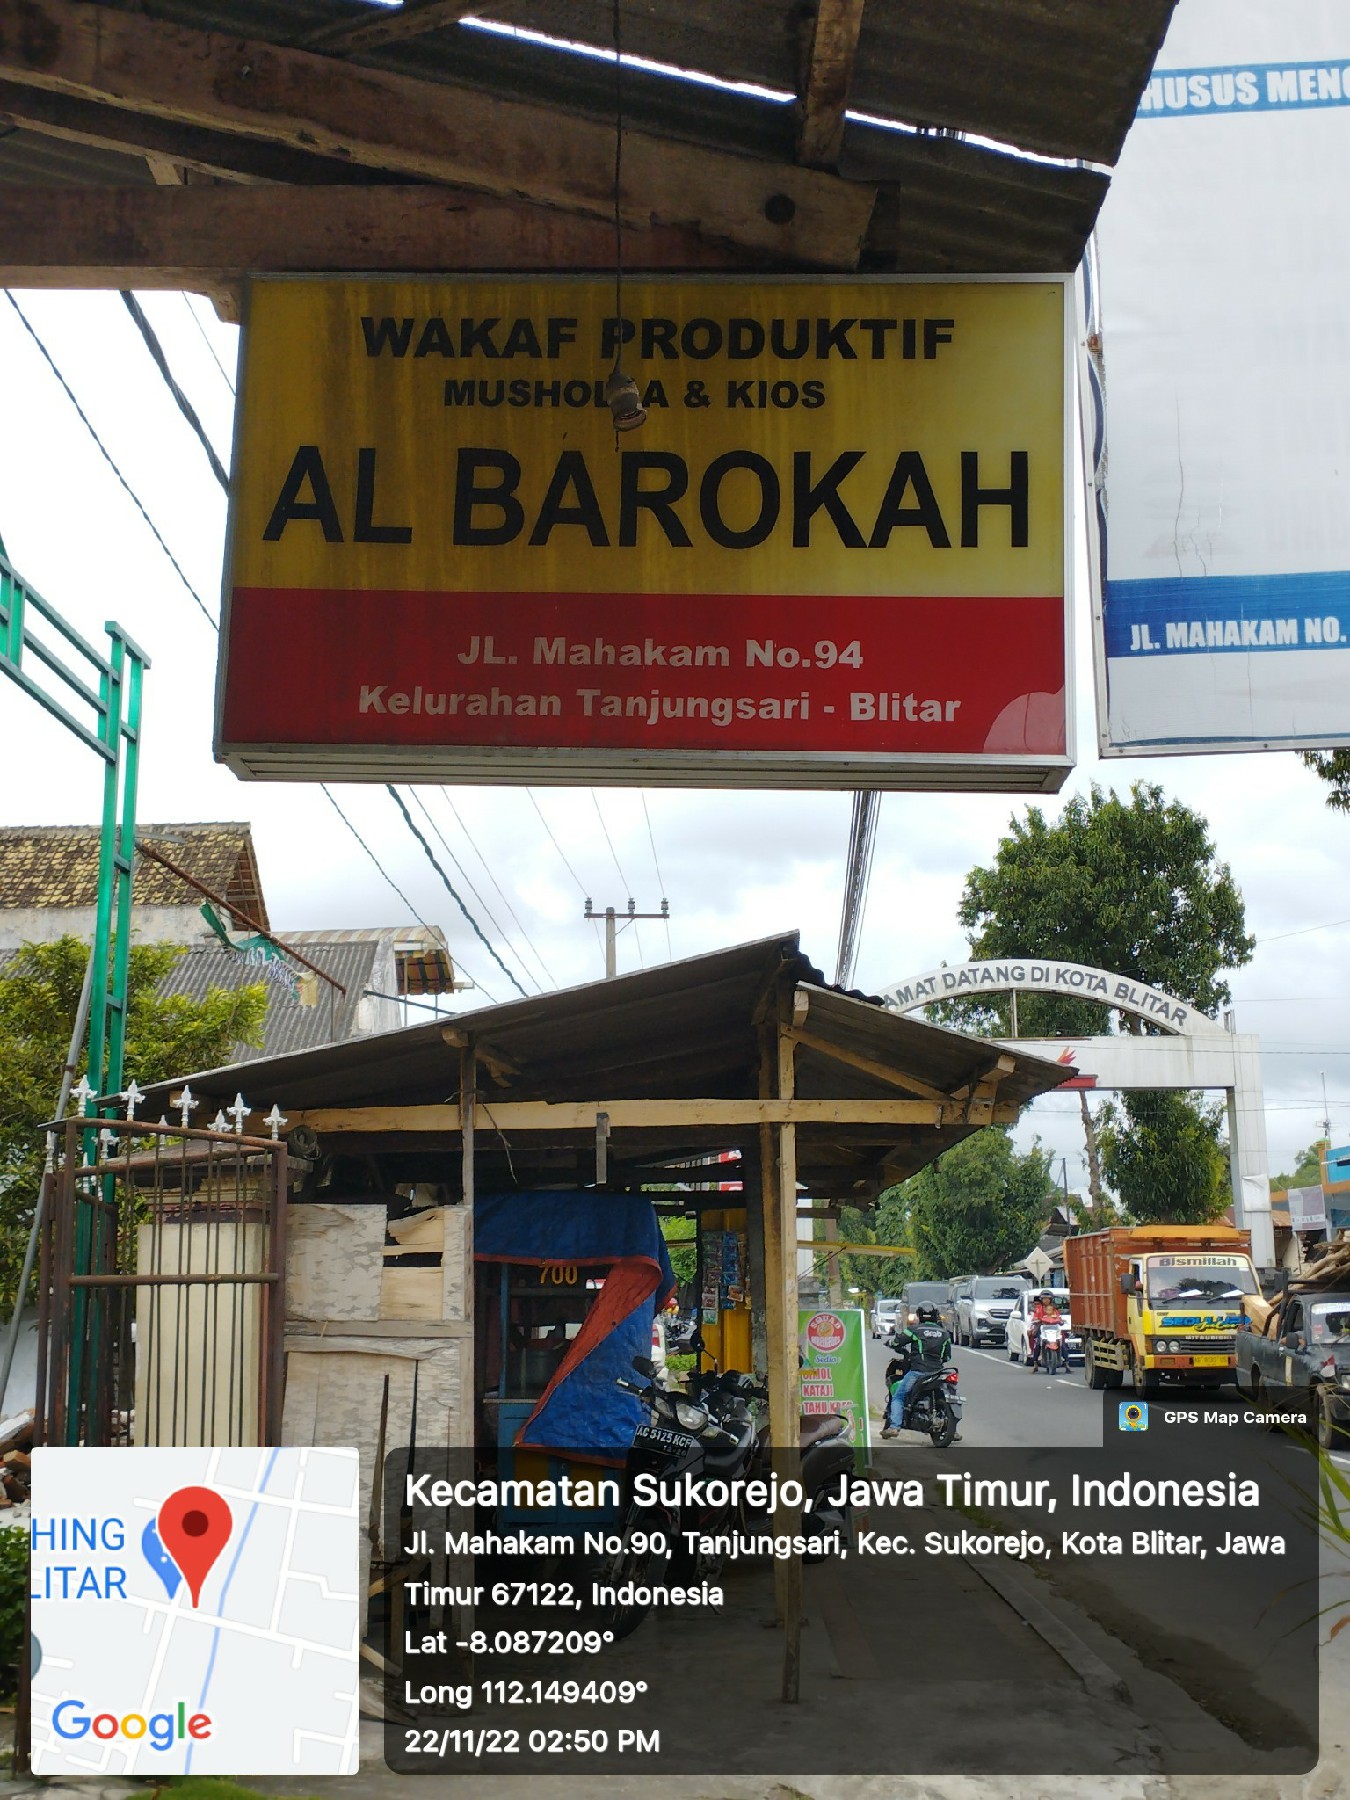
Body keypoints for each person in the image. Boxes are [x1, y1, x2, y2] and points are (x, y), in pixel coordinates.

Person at [881, 1304, 951, 1437]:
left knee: (898, 1396)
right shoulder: (945, 1334)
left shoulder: (914, 1330)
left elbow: (897, 1342)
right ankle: (954, 1431)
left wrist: (890, 1343)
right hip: (938, 1373)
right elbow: (947, 1357)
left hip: (918, 1372)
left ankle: (894, 1427)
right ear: (936, 1316)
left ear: (919, 1316)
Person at [1027, 1290, 1063, 1369]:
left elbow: (1059, 1318)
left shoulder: (1055, 1310)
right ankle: (1035, 1362)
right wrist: (1036, 1321)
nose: (1046, 1300)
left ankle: (1066, 1363)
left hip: (1054, 1329)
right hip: (1042, 1328)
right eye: (1044, 1299)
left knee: (1062, 1344)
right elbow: (1034, 1318)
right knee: (1038, 1344)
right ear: (1041, 1300)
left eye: (1048, 1299)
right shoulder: (1038, 1309)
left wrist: (1061, 1321)